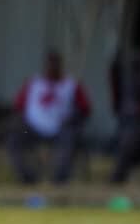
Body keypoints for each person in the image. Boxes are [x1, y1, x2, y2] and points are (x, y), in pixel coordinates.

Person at [8, 49, 92, 184]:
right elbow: (18, 108)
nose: (53, 67)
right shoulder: (33, 84)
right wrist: (21, 122)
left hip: (61, 128)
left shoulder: (71, 85)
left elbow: (85, 110)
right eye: (50, 64)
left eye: (56, 64)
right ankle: (27, 177)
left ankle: (59, 178)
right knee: (15, 138)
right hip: (33, 128)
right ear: (45, 65)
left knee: (71, 137)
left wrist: (73, 119)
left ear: (61, 65)